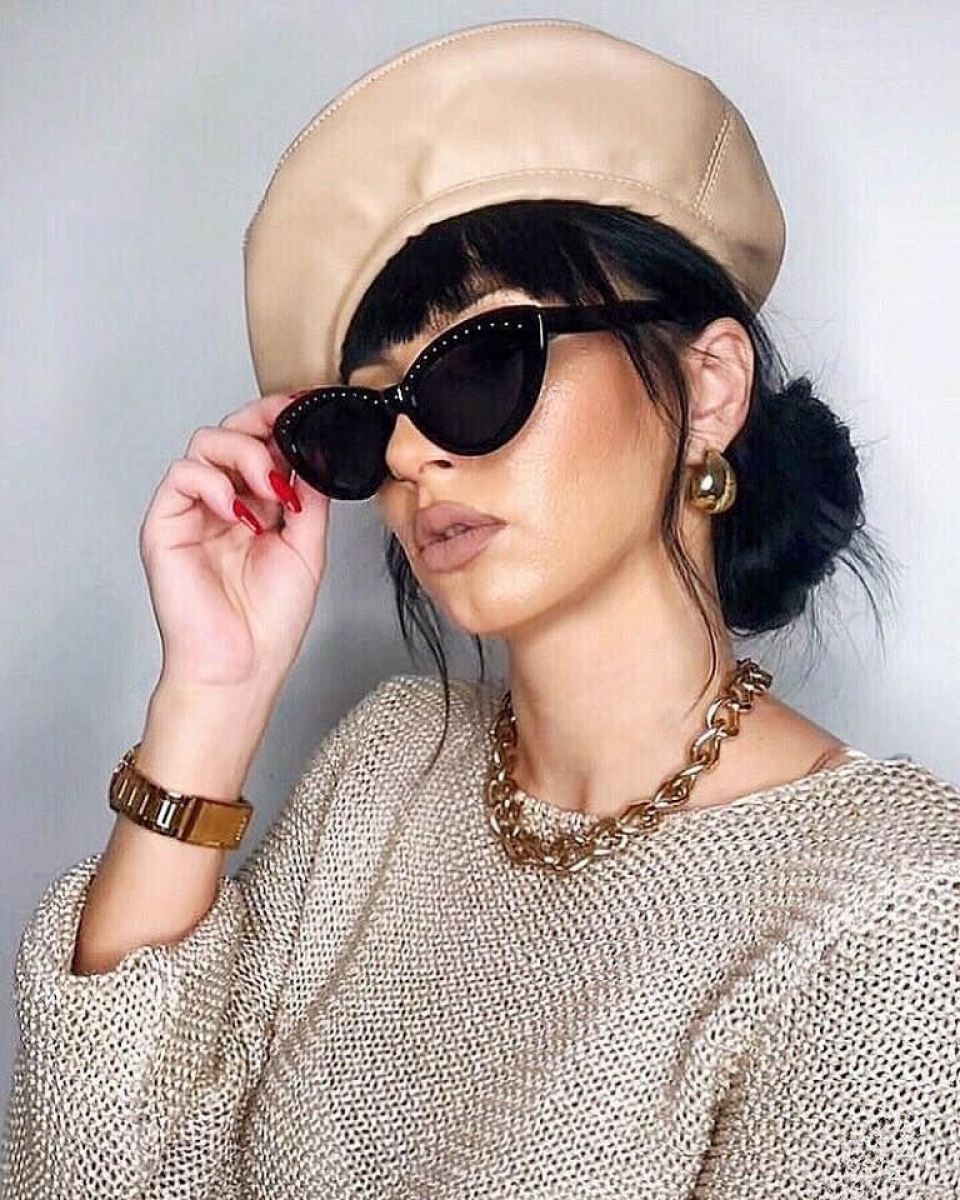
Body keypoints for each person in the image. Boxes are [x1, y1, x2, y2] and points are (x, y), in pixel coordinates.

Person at [2, 18, 958, 1199]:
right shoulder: (385, 765)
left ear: (707, 386)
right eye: (364, 420)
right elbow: (91, 1176)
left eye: (478, 366)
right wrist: (212, 695)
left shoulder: (892, 903)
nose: (409, 454)